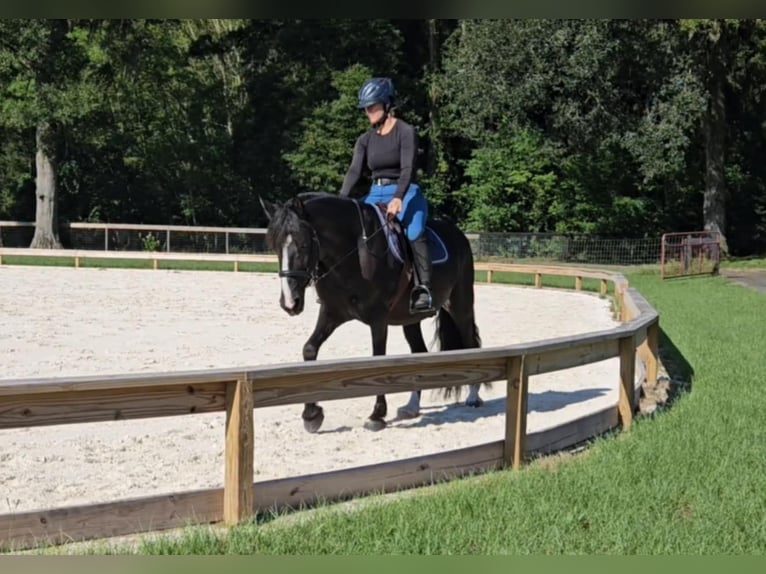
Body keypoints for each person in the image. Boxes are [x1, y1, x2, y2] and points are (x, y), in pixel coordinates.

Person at [339, 77, 434, 313]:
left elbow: (408, 169)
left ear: (387, 104)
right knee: (354, 227)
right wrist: (340, 201)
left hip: (406, 191)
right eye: (366, 108)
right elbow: (354, 172)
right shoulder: (365, 140)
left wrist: (399, 197)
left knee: (413, 231)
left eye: (372, 107)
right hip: (375, 192)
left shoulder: (405, 131)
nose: (368, 112)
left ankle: (423, 289)